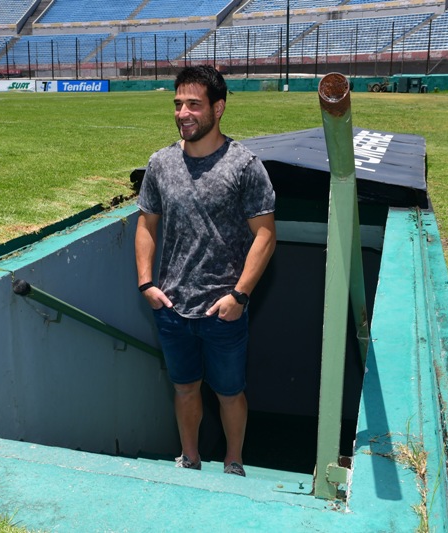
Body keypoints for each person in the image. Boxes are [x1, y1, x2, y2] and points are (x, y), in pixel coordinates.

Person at [134, 65, 276, 477]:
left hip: (223, 310)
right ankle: (190, 457)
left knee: (230, 393)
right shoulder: (160, 163)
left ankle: (234, 461)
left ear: (219, 107)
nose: (183, 113)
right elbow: (146, 224)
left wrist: (239, 296)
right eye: (178, 104)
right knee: (184, 389)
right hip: (172, 308)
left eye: (194, 104)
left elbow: (265, 236)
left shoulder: (244, 165)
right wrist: (147, 283)